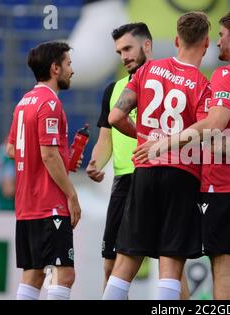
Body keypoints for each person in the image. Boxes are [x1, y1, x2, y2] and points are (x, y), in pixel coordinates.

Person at [135, 9, 230, 300]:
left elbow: (213, 129)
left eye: (222, 35)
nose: (217, 42)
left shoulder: (226, 74)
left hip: (223, 185)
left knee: (222, 271)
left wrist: (163, 144)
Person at [102, 11, 212, 300]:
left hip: (145, 172)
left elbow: (115, 117)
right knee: (171, 267)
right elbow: (205, 131)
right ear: (206, 43)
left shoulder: (147, 71)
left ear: (176, 40)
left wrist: (146, 138)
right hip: (182, 176)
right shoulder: (203, 85)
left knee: (124, 263)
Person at [6, 41, 81, 300]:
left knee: (34, 274)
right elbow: (48, 155)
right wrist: (71, 194)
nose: (72, 70)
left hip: (26, 204)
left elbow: (12, 149)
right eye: (68, 64)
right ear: (55, 68)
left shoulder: (23, 102)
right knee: (65, 274)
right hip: (49, 203)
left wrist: (59, 156)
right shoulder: (49, 104)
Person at [85, 22, 154, 287]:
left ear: (146, 45)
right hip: (124, 182)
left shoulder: (167, 84)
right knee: (111, 264)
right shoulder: (114, 90)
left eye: (128, 48)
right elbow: (105, 140)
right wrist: (95, 163)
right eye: (119, 52)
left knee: (171, 263)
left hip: (157, 176)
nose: (124, 56)